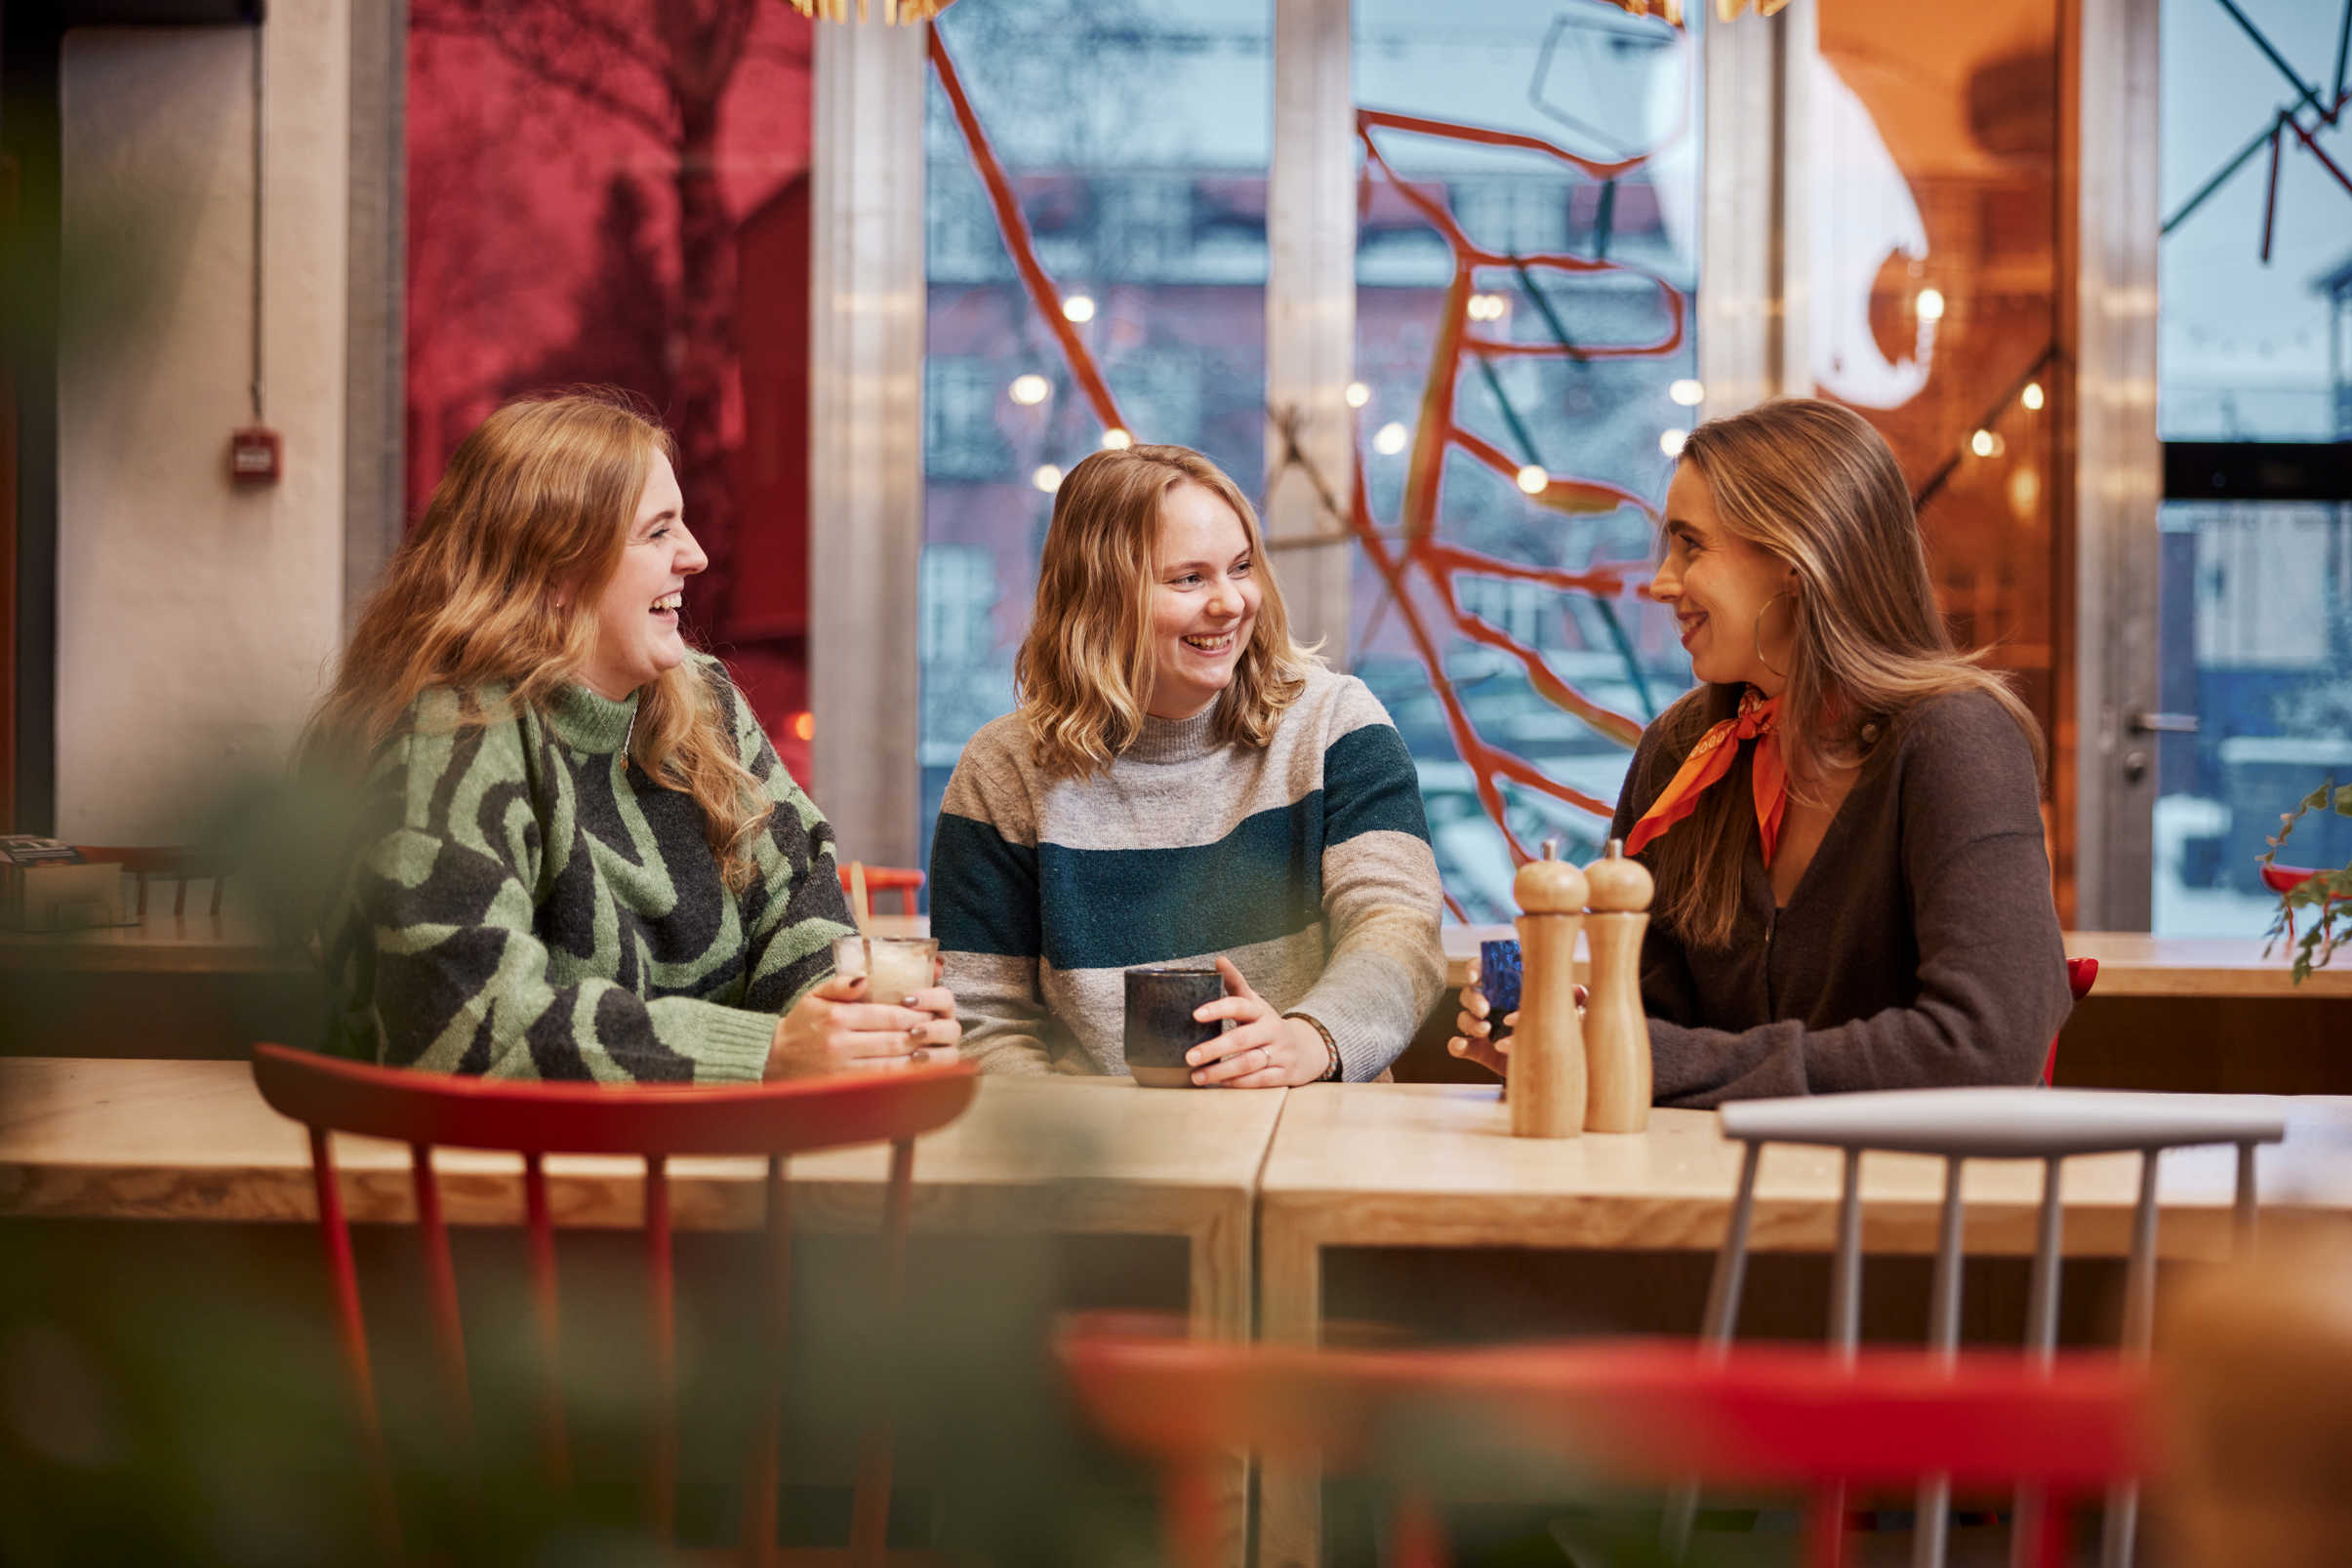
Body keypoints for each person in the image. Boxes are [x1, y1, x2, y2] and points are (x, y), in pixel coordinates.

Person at [305, 389, 958, 1081]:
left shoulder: (702, 701)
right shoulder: (456, 731)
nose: (697, 555)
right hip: (520, 1177)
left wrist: (855, 1026)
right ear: (556, 572)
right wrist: (764, 1051)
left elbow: (801, 907)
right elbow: (459, 1025)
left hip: (706, 1159)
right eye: (658, 532)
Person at [1448, 398, 2070, 1104]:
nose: (1660, 583)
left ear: (1795, 559)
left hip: (1908, 1205)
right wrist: (1564, 1042)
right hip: (1707, 1197)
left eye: (1691, 545)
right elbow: (1664, 1032)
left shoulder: (1957, 739)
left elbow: (1989, 1047)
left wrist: (1658, 1058)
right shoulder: (1680, 750)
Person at [930, 443, 1444, 1084]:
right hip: (1097, 1161)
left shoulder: (1335, 724)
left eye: (1241, 568)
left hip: (1316, 1134)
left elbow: (1398, 931)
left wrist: (1306, 1041)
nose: (1231, 603)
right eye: (1189, 579)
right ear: (1098, 600)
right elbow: (983, 1021)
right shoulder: (1002, 770)